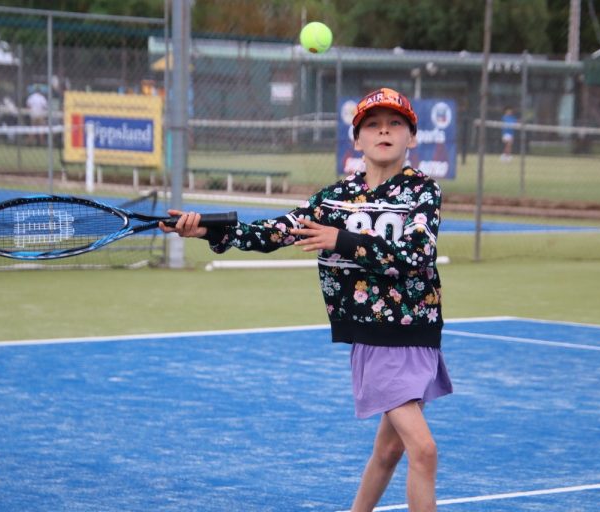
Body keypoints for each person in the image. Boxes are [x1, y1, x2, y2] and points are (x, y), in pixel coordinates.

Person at [160, 87, 452, 512]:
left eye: (395, 124)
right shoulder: (333, 200)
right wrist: (208, 228)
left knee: (390, 451)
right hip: (377, 340)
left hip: (421, 336)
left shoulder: (424, 192)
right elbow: (273, 232)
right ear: (357, 140)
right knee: (423, 450)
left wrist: (342, 239)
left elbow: (417, 254)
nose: (384, 131)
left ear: (412, 137)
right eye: (372, 124)